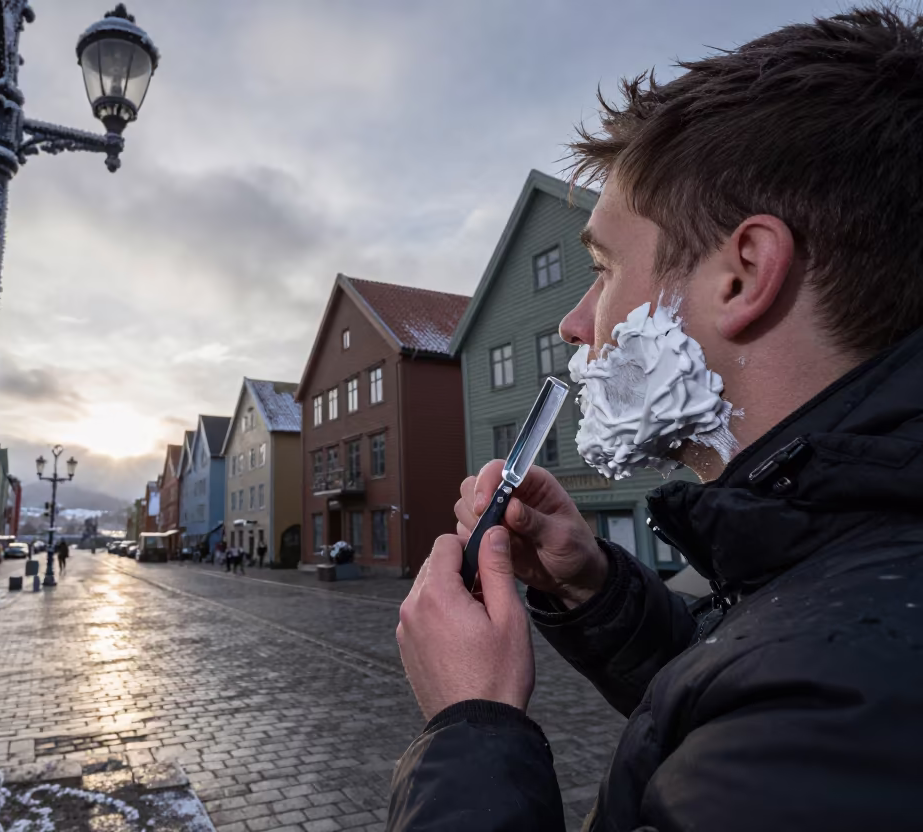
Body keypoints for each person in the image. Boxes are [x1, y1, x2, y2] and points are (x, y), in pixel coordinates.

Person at [390, 9, 923, 831]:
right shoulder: (849, 572)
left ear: (741, 276)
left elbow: (783, 716)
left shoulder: (842, 712)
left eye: (602, 270)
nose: (575, 323)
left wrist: (473, 724)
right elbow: (743, 684)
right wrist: (592, 588)